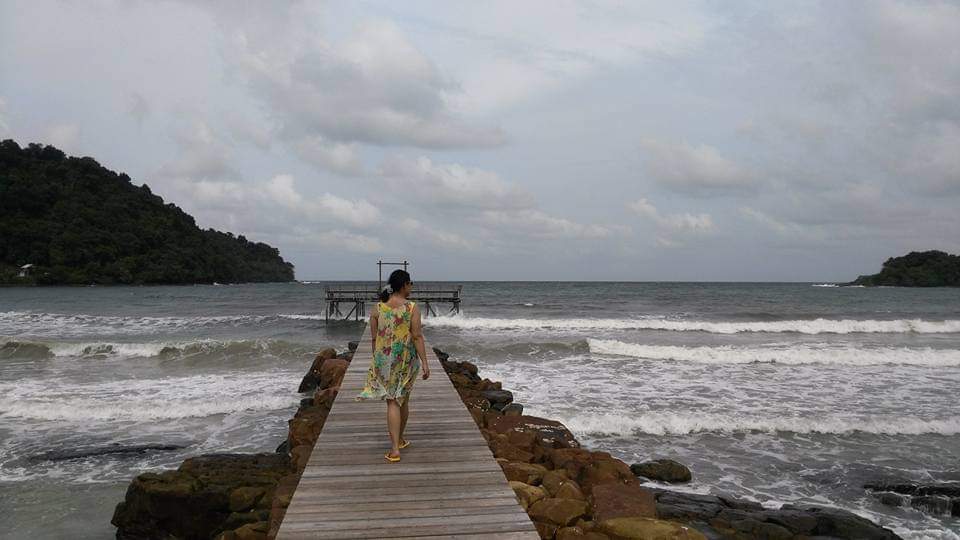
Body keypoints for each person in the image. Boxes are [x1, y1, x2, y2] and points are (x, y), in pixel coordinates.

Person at [355, 269, 431, 462]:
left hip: (384, 360)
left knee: (394, 401)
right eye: (410, 283)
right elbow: (417, 336)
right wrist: (425, 362)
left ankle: (399, 442)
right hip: (405, 360)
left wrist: (376, 360)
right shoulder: (412, 308)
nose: (411, 286)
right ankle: (396, 447)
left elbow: (374, 338)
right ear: (404, 285)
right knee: (400, 400)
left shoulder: (378, 308)